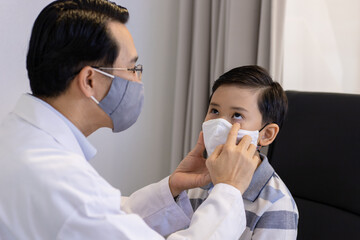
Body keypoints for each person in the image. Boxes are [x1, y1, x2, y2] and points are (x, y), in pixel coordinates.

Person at [0, 1, 260, 239]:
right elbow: (89, 212)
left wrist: (171, 187)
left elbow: (107, 218)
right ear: (90, 80)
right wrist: (228, 190)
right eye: (133, 68)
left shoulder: (18, 138)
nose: (138, 80)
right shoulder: (61, 180)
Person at [188, 66, 299, 239]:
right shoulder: (199, 181)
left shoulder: (276, 205)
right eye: (214, 111)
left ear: (266, 134)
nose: (219, 124)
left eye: (237, 115)